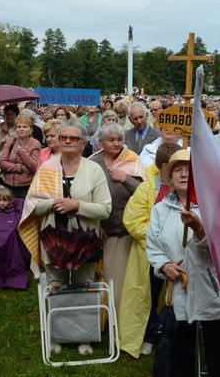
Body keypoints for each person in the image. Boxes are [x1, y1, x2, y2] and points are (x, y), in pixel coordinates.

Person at [19, 119, 111, 355]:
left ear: (83, 143)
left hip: (85, 239)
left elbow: (105, 209)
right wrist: (54, 204)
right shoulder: (47, 167)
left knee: (84, 286)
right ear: (58, 141)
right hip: (54, 239)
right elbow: (32, 205)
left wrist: (77, 205)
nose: (68, 141)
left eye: (74, 138)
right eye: (64, 138)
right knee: (56, 286)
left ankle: (84, 338)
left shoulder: (94, 170)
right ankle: (57, 336)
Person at [146, 149, 220, 377]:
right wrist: (164, 266)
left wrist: (199, 230)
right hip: (179, 289)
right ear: (170, 176)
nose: (184, 173)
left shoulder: (216, 205)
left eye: (189, 169)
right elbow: (153, 245)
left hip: (213, 289)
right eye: (178, 169)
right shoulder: (160, 210)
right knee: (180, 352)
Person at [121, 142, 182, 357]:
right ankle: (148, 335)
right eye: (177, 166)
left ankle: (171, 335)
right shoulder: (147, 186)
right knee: (149, 295)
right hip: (150, 254)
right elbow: (134, 220)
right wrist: (161, 239)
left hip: (179, 257)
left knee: (174, 297)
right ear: (165, 166)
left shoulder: (186, 187)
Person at [89, 123, 144, 312]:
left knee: (121, 279)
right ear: (100, 142)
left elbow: (143, 194)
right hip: (99, 230)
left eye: (120, 139)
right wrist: (96, 223)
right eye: (111, 140)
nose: (116, 143)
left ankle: (118, 317)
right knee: (99, 277)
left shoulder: (132, 159)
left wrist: (126, 178)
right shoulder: (92, 163)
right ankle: (100, 318)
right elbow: (85, 196)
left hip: (124, 231)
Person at [0, 188, 29, 290]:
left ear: (10, 201)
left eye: (5, 200)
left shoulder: (15, 211)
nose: (1, 203)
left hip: (9, 239)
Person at [0, 114, 41, 199]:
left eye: (25, 127)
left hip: (25, 187)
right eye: (19, 127)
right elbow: (2, 163)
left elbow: (34, 166)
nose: (21, 129)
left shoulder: (35, 143)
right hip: (8, 185)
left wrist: (22, 152)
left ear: (31, 129)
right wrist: (20, 168)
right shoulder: (11, 141)